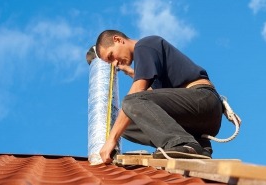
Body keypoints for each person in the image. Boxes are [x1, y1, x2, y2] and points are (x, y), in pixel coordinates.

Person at [94, 29, 223, 164]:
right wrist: (132, 72)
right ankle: (197, 146)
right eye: (110, 63)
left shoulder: (144, 45)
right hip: (197, 120)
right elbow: (149, 102)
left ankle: (179, 142)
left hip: (203, 99)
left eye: (111, 56)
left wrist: (112, 139)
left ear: (118, 40)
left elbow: (137, 93)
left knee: (130, 103)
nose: (115, 63)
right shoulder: (147, 58)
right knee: (127, 124)